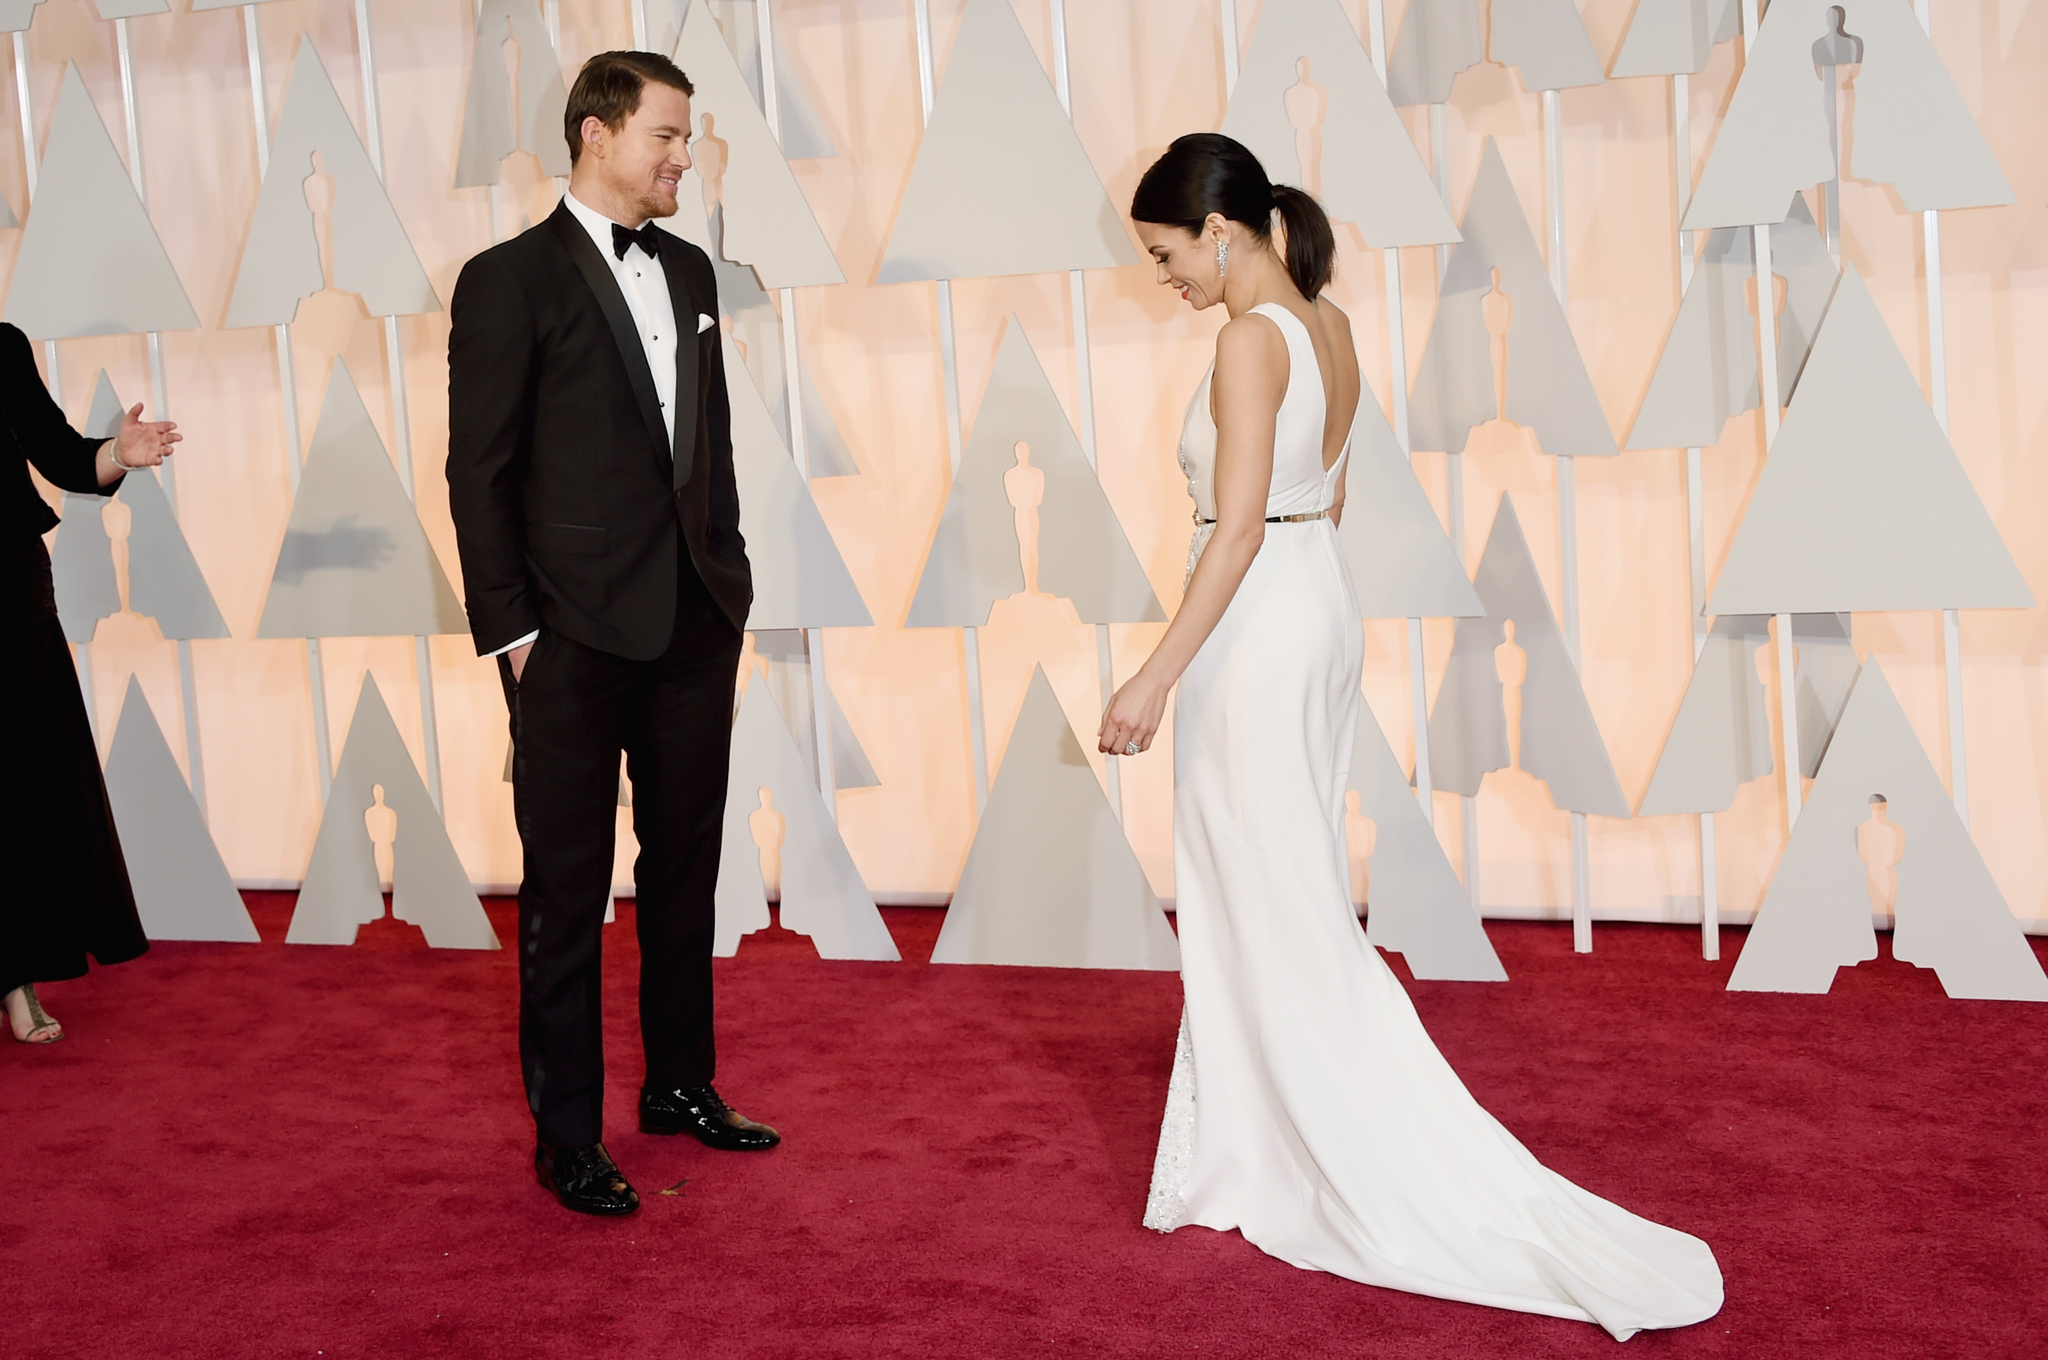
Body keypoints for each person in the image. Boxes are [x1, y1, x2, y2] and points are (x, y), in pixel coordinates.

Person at [1098, 134, 1723, 1341]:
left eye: (1165, 252)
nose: (1162, 277)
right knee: (1285, 890)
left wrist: (1151, 676)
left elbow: (1230, 534)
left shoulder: (1242, 341)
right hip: (1315, 608)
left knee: (1265, 897)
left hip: (1255, 627)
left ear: (1218, 230)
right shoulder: (1327, 329)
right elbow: (1318, 502)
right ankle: (1259, 1138)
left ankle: (1303, 1145)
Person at [447, 50, 777, 1219]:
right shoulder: (505, 280)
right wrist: (513, 638)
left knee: (686, 872)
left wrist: (727, 585)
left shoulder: (688, 269)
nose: (685, 158)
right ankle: (567, 1137)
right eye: (668, 139)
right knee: (566, 892)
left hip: (693, 621)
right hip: (569, 638)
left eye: (687, 140)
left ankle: (681, 1084)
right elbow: (476, 472)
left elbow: (707, 447)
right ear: (596, 135)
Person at [2, 322, 179, 1044]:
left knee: (17, 788)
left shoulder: (1, 347)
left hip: (5, 592)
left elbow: (59, 452)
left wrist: (116, 454)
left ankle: (15, 979)